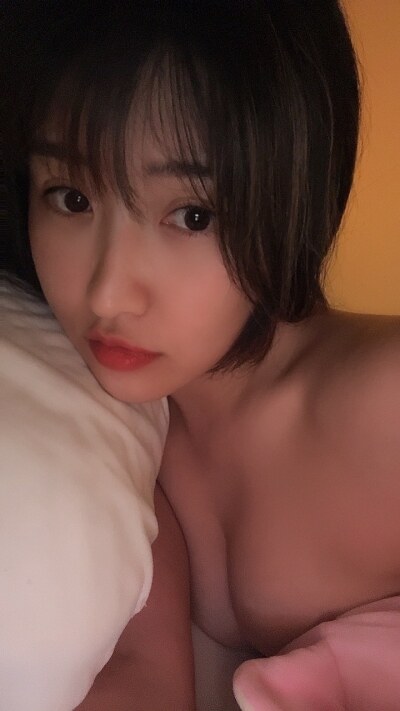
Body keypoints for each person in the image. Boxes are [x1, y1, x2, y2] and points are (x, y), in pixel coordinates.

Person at [2, 1, 400, 709]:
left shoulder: (384, 402)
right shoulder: (117, 430)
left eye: (192, 215)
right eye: (70, 198)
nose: (108, 293)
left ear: (295, 193)